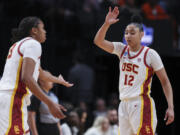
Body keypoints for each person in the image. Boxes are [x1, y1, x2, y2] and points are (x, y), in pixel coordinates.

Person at [94, 6, 174, 135]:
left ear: (141, 34)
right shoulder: (121, 49)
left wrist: (171, 107)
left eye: (132, 33)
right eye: (126, 33)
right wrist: (106, 24)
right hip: (124, 105)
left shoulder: (150, 54)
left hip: (141, 103)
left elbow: (165, 82)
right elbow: (98, 41)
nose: (128, 36)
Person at [0, 16, 73, 135]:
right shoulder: (33, 44)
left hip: (9, 99)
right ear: (34, 30)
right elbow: (27, 77)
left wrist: (58, 80)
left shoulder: (19, 44)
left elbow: (40, 73)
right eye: (43, 28)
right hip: (13, 99)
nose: (45, 31)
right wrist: (50, 103)